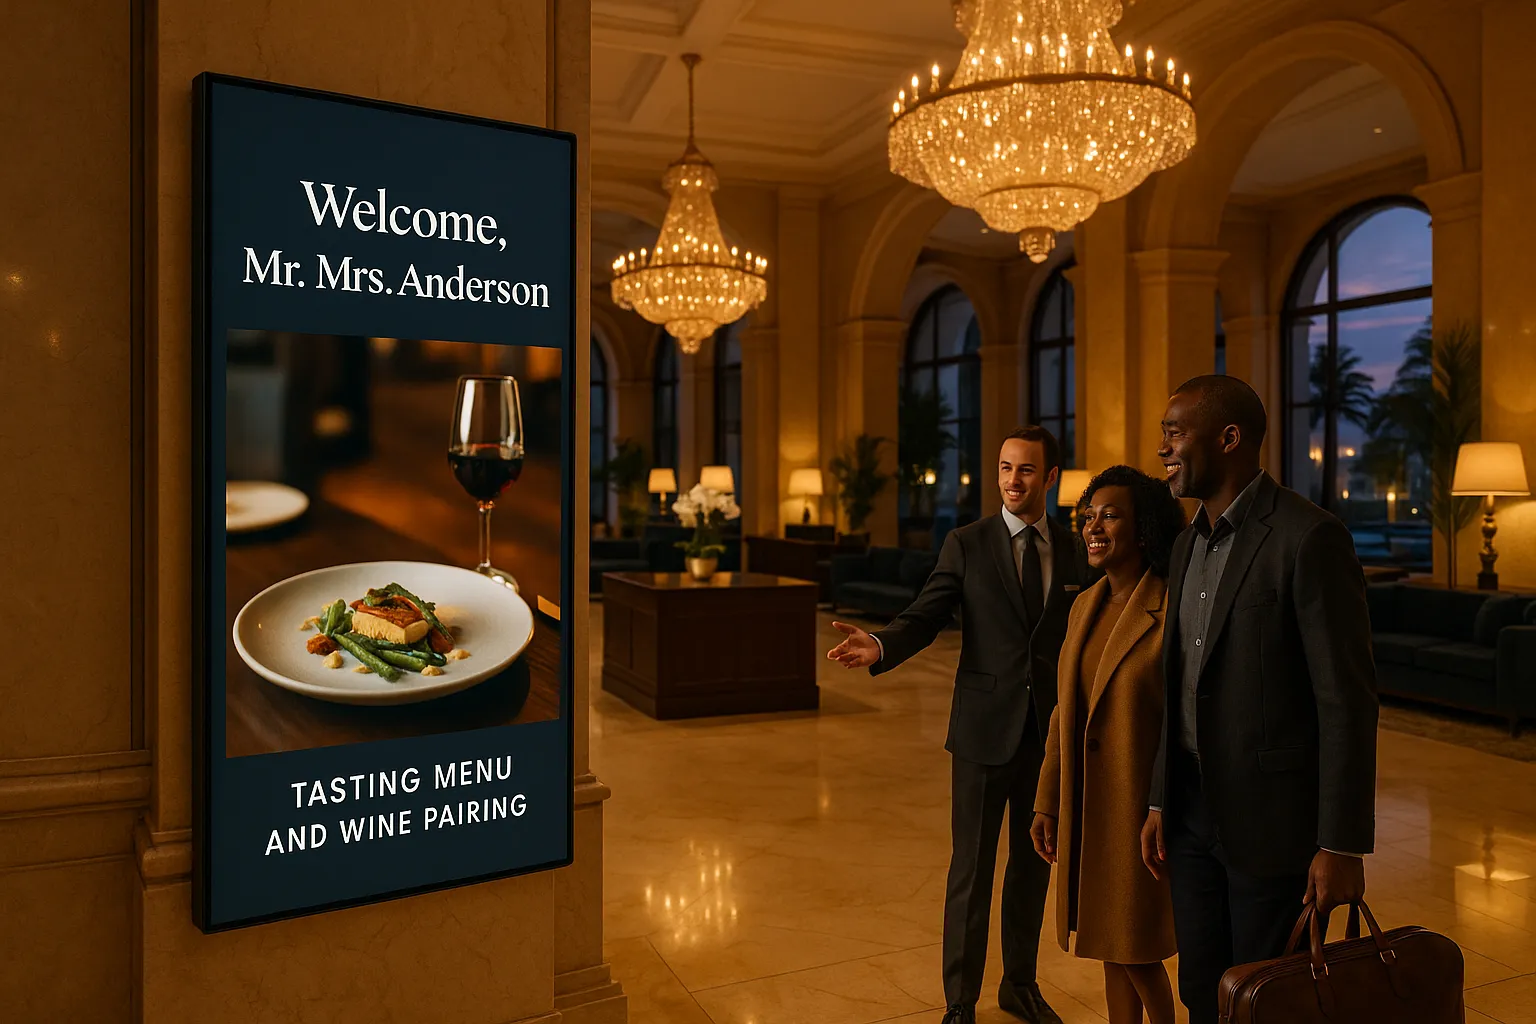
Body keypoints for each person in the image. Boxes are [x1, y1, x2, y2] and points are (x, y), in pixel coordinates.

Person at [1138, 375, 1378, 1024]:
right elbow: (1181, 682)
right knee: (1200, 994)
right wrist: (1162, 795)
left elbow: (1347, 700)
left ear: (1229, 438)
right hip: (1188, 818)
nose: (1162, 448)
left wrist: (1342, 842)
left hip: (1272, 825)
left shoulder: (1308, 537)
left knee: (1265, 1001)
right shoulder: (1186, 544)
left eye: (1174, 432)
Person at [827, 425, 1085, 1024]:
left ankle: (1019, 985)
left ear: (1049, 479)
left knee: (1031, 867)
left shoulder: (1075, 551)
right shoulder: (967, 543)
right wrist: (883, 646)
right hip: (981, 732)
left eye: (1025, 470)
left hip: (1047, 736)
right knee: (969, 870)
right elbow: (927, 613)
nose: (1011, 481)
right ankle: (960, 1003)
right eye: (1003, 468)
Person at [1030, 466, 1186, 1024]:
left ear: (1143, 529)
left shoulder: (1171, 610)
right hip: (1085, 806)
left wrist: (1162, 805)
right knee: (1103, 939)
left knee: (1136, 947)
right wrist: (1047, 800)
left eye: (1110, 515)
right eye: (1089, 515)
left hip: (1136, 808)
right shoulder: (1083, 605)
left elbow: (1182, 722)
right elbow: (1062, 714)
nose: (1094, 526)